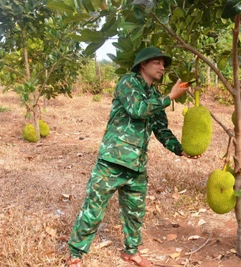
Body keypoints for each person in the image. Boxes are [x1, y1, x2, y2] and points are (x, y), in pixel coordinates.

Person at [66, 47, 198, 267]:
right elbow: (137, 109)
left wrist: (180, 149)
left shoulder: (155, 94)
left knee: (135, 213)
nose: (162, 67)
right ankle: (76, 254)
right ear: (143, 64)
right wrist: (169, 98)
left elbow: (161, 129)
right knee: (94, 208)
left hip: (137, 164)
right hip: (112, 160)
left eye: (163, 64)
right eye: (157, 62)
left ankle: (131, 252)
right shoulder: (128, 82)